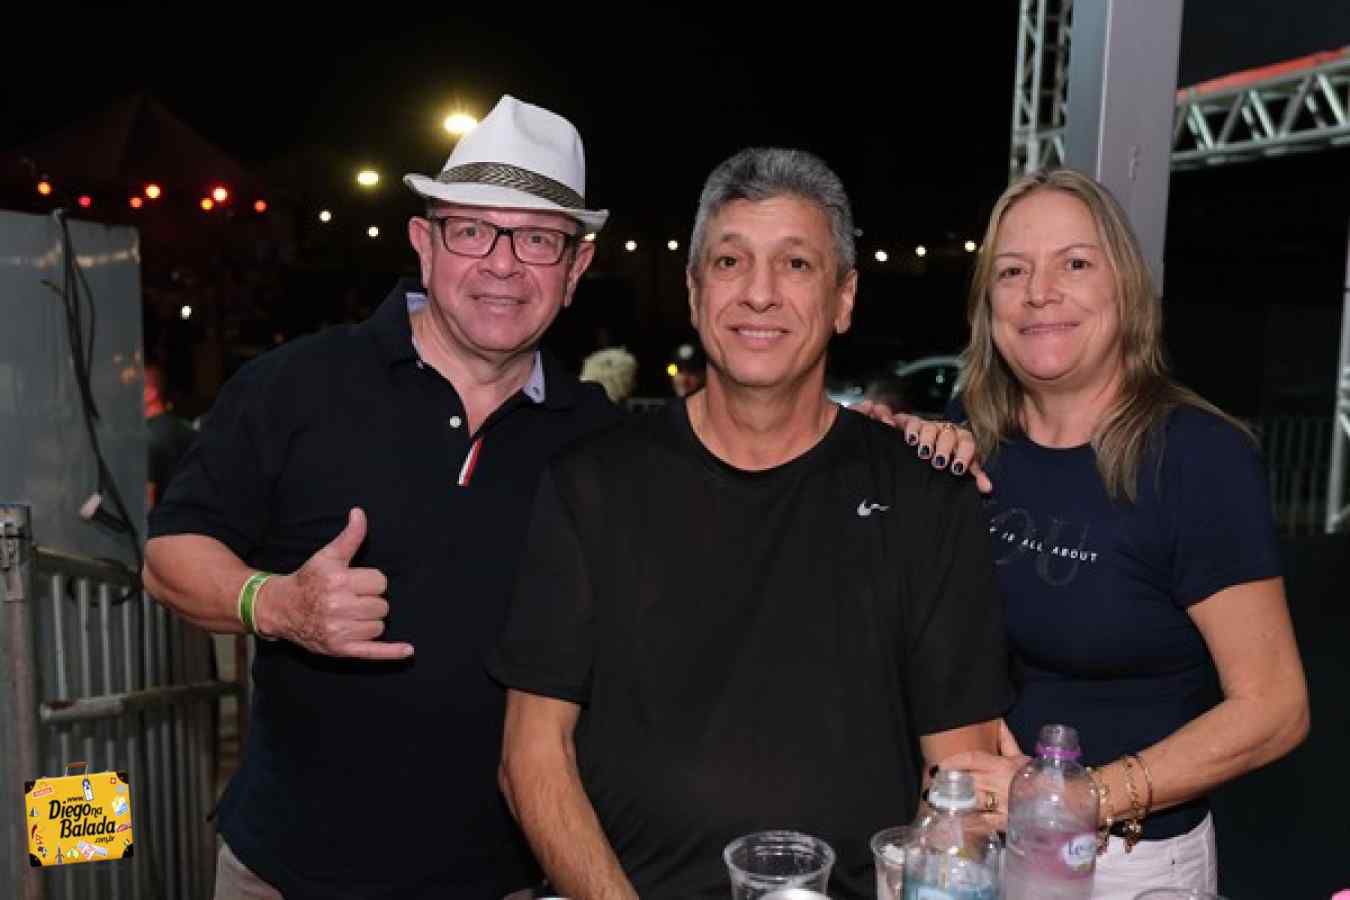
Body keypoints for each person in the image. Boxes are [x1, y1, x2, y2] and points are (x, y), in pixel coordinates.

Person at [490, 148, 1013, 900]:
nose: (759, 294)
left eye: (796, 264)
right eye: (730, 262)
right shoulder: (590, 484)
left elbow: (961, 781)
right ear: (695, 290)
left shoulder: (928, 496)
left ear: (844, 297)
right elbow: (532, 755)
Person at [142, 95, 620, 898]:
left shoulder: (597, 436)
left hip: (502, 881)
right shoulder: (294, 385)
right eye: (472, 230)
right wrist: (277, 603)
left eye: (539, 239)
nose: (503, 264)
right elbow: (167, 557)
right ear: (424, 244)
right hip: (289, 876)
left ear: (574, 269)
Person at [936, 169, 1309, 898]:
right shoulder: (971, 442)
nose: (1039, 292)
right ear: (988, 304)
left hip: (1125, 861)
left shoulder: (1194, 458)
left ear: (1126, 290)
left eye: (1075, 263)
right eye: (1013, 271)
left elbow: (1275, 707)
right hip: (980, 840)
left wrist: (1076, 799)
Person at [144, 360, 197, 509]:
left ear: (151, 393)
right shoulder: (187, 429)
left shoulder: (146, 436)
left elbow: (146, 504)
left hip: (162, 519)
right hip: (189, 515)